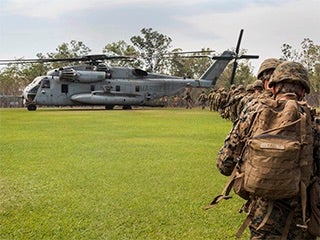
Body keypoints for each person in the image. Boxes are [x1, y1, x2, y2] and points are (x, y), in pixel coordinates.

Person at [216, 61, 319, 239]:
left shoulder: (253, 113)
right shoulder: (314, 122)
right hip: (301, 220)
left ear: (273, 87)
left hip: (263, 219)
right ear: (303, 91)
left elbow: (224, 165)